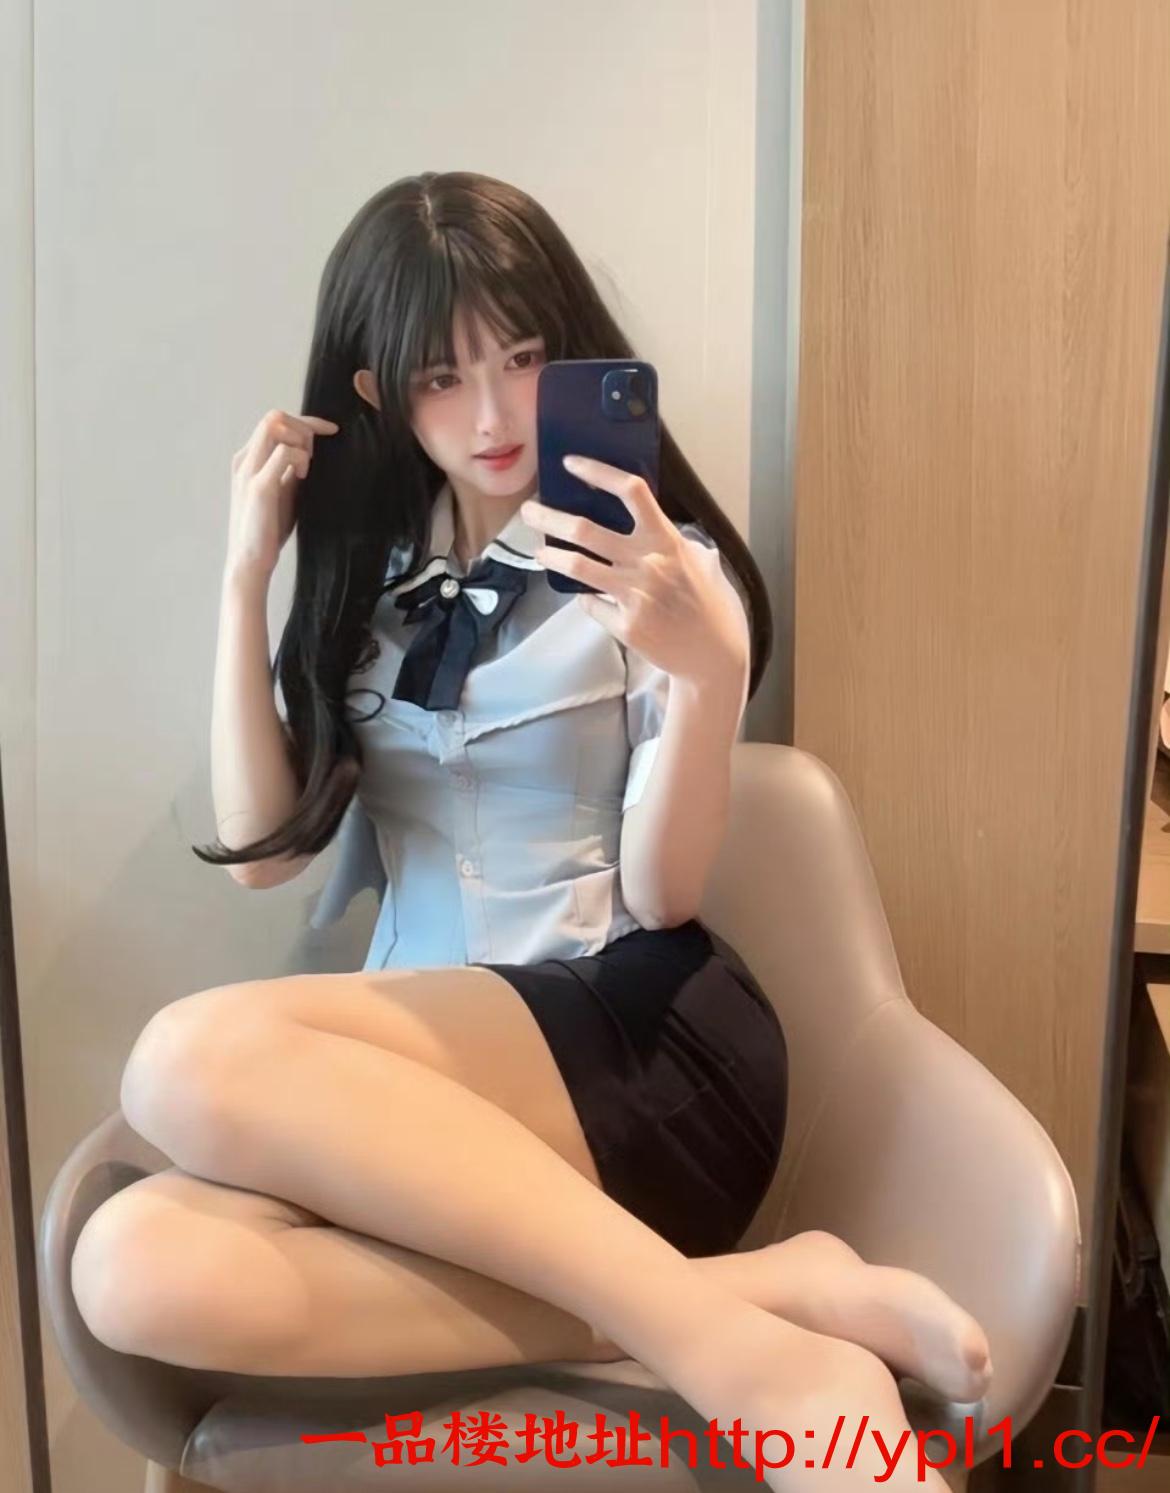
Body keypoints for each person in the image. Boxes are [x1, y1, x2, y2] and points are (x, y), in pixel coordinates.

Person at [70, 172, 990, 1492]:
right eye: (443, 378)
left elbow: (664, 894)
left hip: (629, 1038)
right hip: (420, 1096)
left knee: (179, 1058)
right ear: (380, 392)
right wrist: (245, 573)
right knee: (135, 1269)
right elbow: (266, 849)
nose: (494, 414)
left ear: (572, 352)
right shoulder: (372, 581)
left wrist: (711, 674)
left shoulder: (654, 569)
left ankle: (752, 1369)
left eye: (521, 357)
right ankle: (758, 1299)